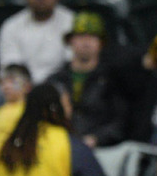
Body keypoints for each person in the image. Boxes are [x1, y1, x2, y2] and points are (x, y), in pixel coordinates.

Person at [46, 12, 127, 148]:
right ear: (70, 41)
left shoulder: (113, 79)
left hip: (103, 149)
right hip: (60, 146)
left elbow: (121, 121)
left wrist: (97, 139)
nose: (86, 42)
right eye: (80, 36)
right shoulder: (56, 80)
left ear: (101, 43)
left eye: (92, 37)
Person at [0, 0, 74, 101]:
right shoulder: (11, 25)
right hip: (21, 85)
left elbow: (71, 62)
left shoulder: (70, 22)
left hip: (59, 84)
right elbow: (10, 65)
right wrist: (24, 87)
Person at [0, 65, 33, 176]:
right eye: (3, 82)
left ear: (28, 86)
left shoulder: (27, 112)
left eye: (13, 81)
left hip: (12, 174)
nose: (6, 86)